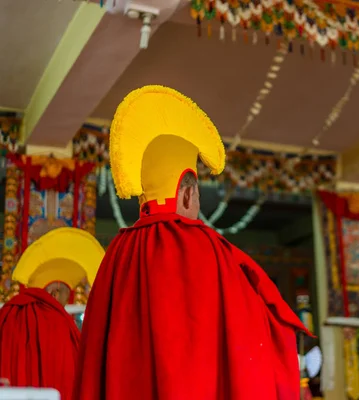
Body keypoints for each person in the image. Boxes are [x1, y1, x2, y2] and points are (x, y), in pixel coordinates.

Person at [73, 85, 311, 400]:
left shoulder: (116, 255)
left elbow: (93, 361)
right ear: (188, 192)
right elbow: (252, 335)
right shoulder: (209, 249)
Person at [0, 227, 105, 400]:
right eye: (65, 298)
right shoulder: (60, 322)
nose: (63, 306)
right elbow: (72, 377)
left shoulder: (7, 313)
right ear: (55, 292)